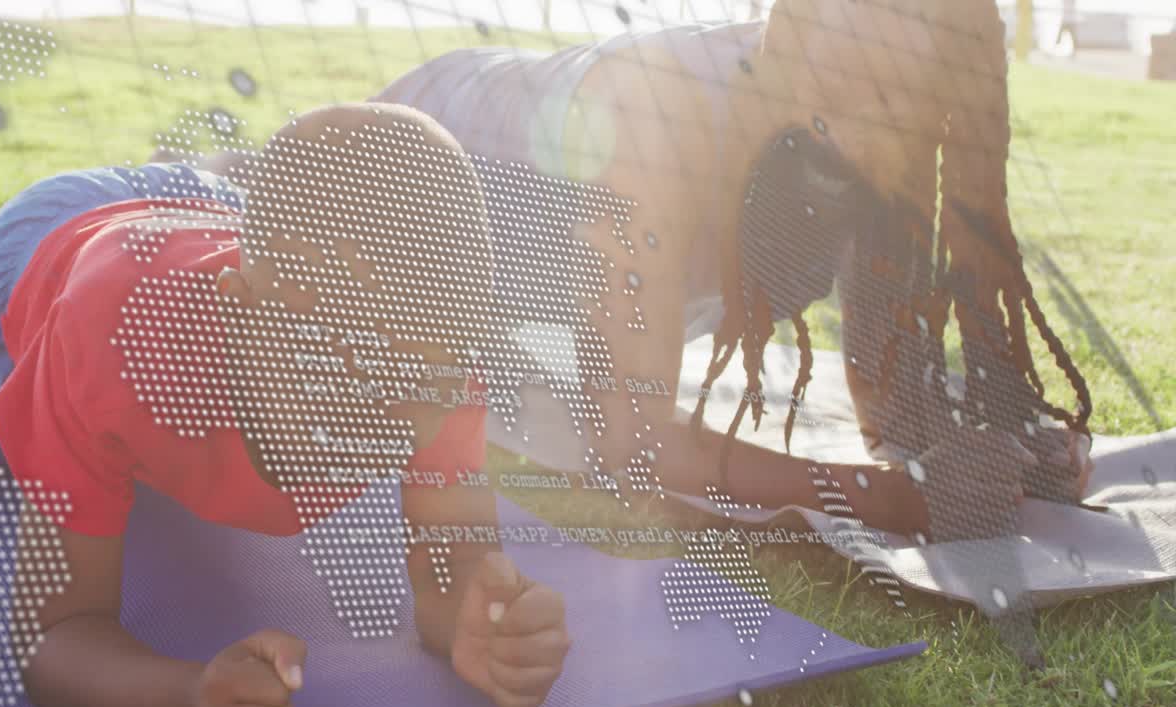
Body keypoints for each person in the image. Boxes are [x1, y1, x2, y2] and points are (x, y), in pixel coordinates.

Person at [0, 103, 570, 707]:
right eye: (344, 376)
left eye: (424, 383)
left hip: (210, 212)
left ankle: (187, 170)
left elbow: (452, 566)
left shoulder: (433, 357)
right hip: (46, 250)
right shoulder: (108, 346)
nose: (385, 428)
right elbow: (51, 633)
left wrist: (481, 626)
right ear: (237, 314)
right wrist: (186, 694)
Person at [371, 0, 1094, 539]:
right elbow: (631, 442)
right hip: (380, 209)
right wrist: (894, 498)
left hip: (509, 320)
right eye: (842, 83)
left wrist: (998, 453)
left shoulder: (881, 163)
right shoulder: (653, 110)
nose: (854, 133)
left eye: (897, 105)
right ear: (797, 29)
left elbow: (890, 402)